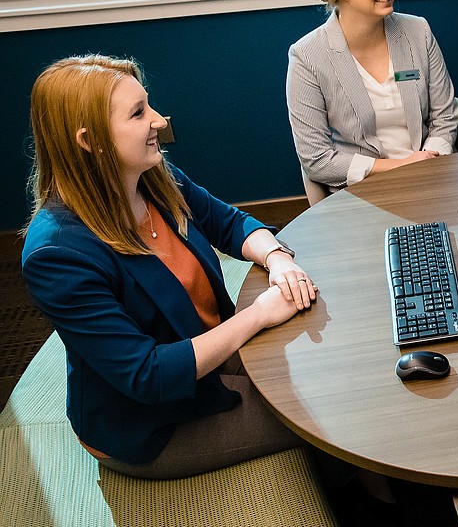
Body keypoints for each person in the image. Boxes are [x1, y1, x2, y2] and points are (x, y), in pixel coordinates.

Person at [21, 54, 318, 479]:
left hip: (209, 350)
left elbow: (228, 222)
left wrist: (276, 258)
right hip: (153, 423)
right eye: (139, 113)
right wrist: (258, 314)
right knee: (317, 408)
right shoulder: (57, 255)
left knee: (323, 366)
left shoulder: (150, 175)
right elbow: (148, 374)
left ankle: (358, 485)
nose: (159, 121)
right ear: (90, 141)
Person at [287, 0, 458, 194]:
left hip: (431, 174)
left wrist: (427, 163)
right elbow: (317, 160)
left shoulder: (418, 31)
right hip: (364, 191)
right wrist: (399, 167)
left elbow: (445, 117)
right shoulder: (307, 57)